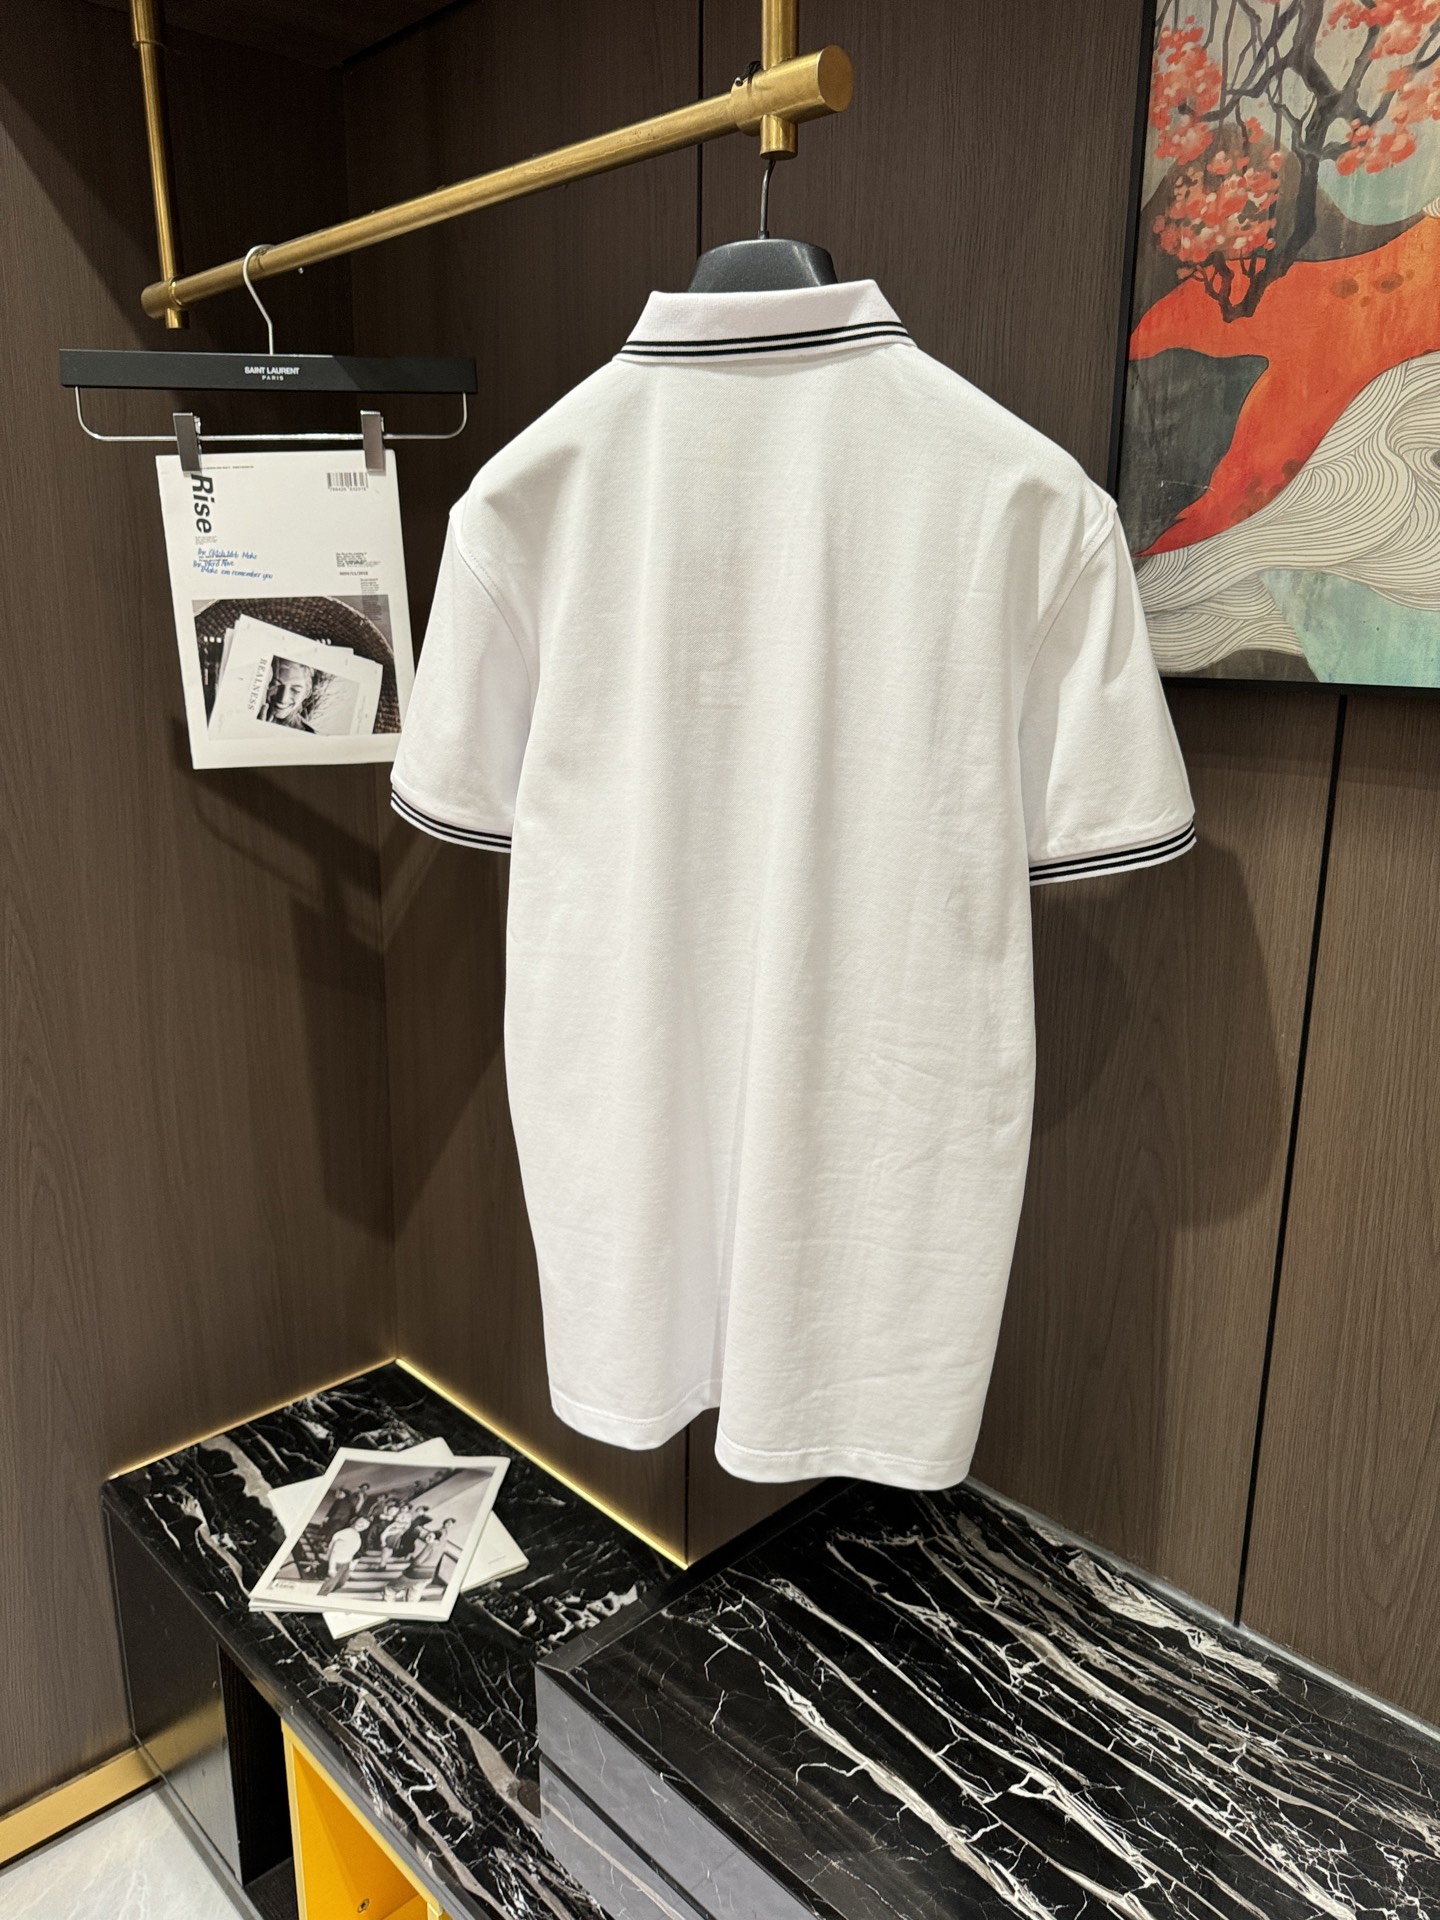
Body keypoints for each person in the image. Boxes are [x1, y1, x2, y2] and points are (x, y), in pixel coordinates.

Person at [400, 1517, 457, 1601]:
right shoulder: (440, 1532)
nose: (449, 1525)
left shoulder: (443, 1534)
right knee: (417, 1586)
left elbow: (419, 1560)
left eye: (451, 1524)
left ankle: (412, 1598)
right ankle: (412, 1598)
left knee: (417, 1585)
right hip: (428, 1567)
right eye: (448, 1523)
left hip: (426, 1567)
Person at [317, 1523, 363, 1595]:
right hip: (337, 1562)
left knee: (340, 1583)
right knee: (328, 1586)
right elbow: (334, 1552)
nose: (362, 1524)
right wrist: (331, 1568)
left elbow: (352, 1552)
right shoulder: (345, 1533)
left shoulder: (356, 1536)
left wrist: (351, 1563)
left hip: (346, 1563)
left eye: (366, 1523)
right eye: (361, 1522)